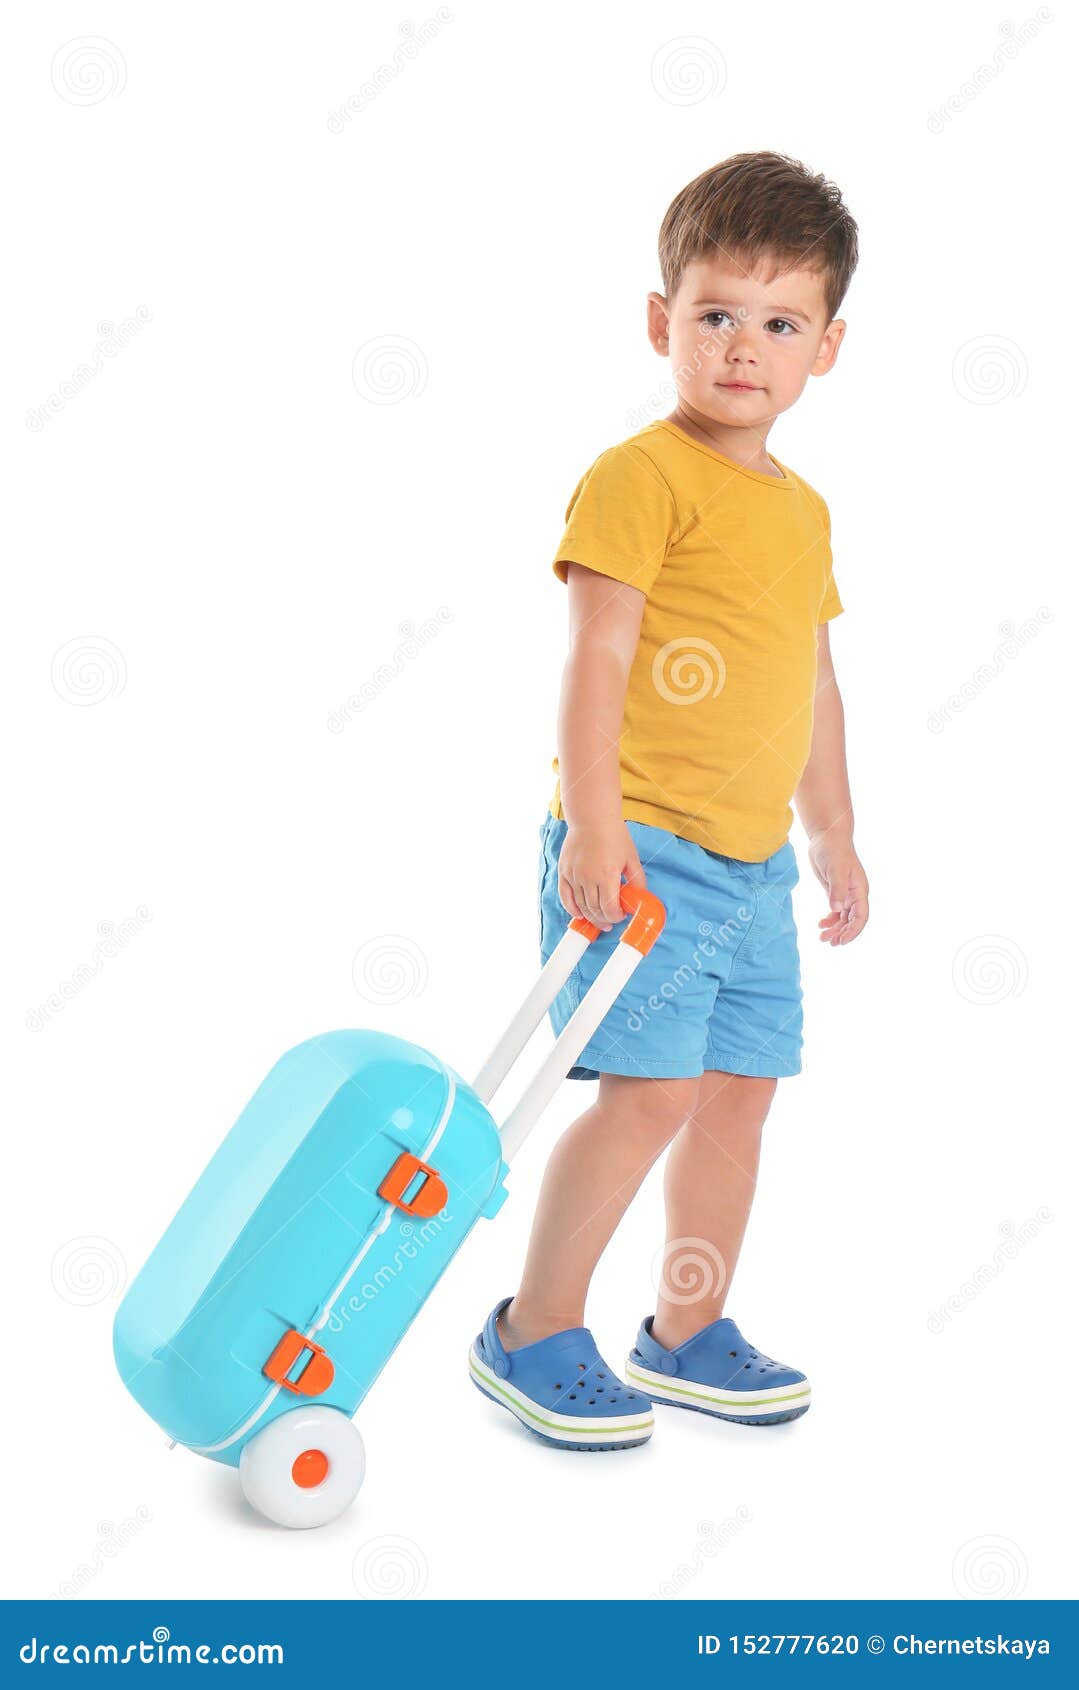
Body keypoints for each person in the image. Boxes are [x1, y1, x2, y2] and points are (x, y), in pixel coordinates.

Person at [470, 152, 869, 1451]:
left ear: (826, 347)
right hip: (642, 848)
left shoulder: (803, 513)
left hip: (754, 869)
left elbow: (812, 681)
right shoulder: (639, 476)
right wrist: (593, 825)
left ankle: (686, 1329)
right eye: (716, 314)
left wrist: (835, 835)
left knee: (738, 1095)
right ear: (663, 321)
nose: (745, 346)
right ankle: (533, 1328)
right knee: (645, 1093)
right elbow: (596, 657)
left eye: (781, 324)